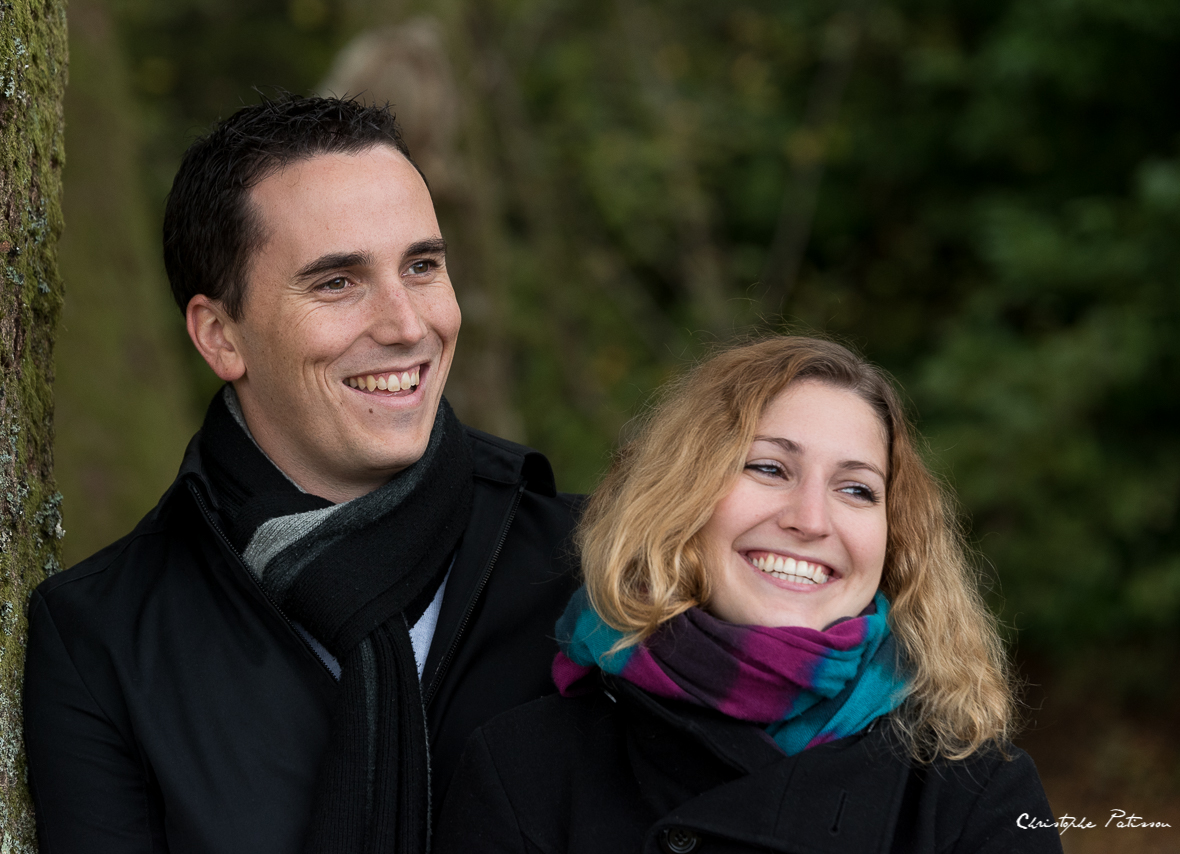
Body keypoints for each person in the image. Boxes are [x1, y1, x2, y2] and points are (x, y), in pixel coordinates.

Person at [23, 95, 581, 854]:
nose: (406, 324)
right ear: (220, 336)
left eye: (421, 266)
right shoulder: (103, 641)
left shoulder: (595, 566)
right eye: (336, 282)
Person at [435, 336, 1063, 854]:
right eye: (768, 468)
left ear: (894, 541)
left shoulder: (972, 791)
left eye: (856, 489)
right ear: (679, 497)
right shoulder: (526, 768)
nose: (810, 519)